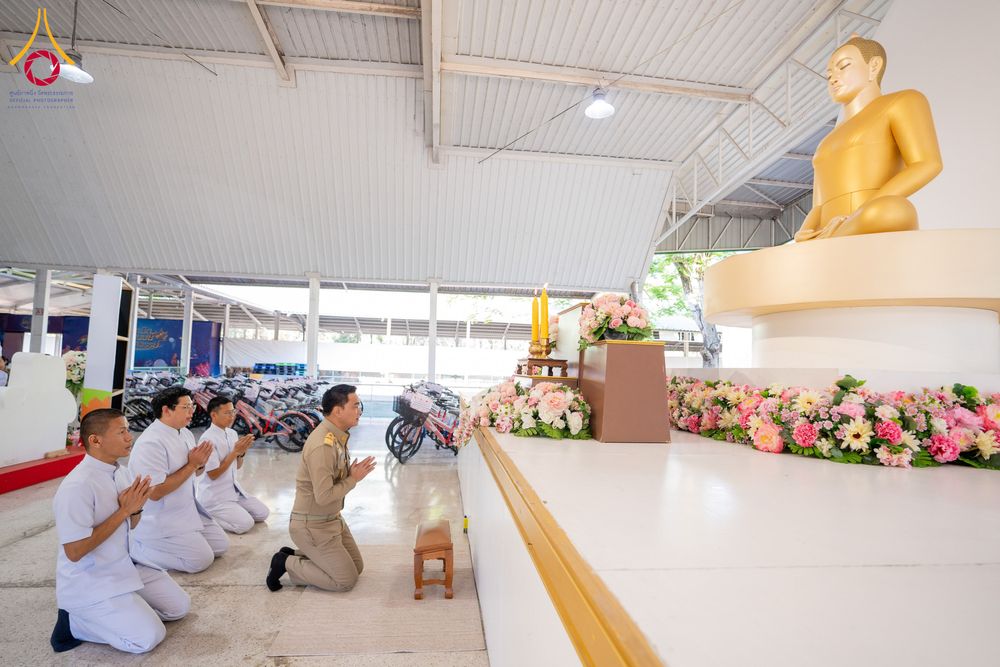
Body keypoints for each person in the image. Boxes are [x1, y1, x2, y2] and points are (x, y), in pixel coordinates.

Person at [50, 409, 190, 654]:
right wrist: (124, 511)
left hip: (126, 563)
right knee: (147, 638)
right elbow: (74, 552)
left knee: (179, 608)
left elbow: (131, 524)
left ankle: (124, 610)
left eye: (128, 429)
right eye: (122, 431)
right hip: (93, 577)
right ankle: (74, 623)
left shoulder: (120, 472)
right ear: (95, 440)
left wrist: (135, 510)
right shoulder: (77, 486)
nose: (129, 437)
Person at [794, 35, 943, 241]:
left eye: (843, 66)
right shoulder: (825, 143)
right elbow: (818, 206)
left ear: (874, 66)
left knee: (896, 209)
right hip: (829, 227)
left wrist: (859, 213)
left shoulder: (903, 101)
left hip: (869, 218)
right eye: (829, 75)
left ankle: (831, 239)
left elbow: (927, 163)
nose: (834, 79)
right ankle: (824, 240)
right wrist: (804, 232)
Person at [266, 384, 376, 592]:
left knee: (357, 567)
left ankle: (298, 554)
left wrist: (349, 475)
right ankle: (285, 562)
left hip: (331, 519)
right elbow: (324, 496)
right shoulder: (323, 445)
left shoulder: (336, 436)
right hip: (313, 525)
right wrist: (353, 479)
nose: (359, 410)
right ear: (337, 411)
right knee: (345, 581)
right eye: (355, 405)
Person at [128, 386, 229, 573]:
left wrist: (200, 464)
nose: (192, 412)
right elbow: (155, 493)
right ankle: (137, 549)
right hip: (162, 518)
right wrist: (192, 465)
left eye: (192, 406)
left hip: (186, 509)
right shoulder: (150, 442)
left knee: (221, 546)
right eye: (186, 407)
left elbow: (196, 472)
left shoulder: (185, 432)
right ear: (166, 410)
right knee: (200, 561)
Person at [196, 396, 270, 533]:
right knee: (245, 525)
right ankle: (209, 513)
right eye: (227, 413)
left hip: (233, 491)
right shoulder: (207, 439)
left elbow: (237, 466)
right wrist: (234, 452)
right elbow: (213, 474)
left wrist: (241, 453)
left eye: (233, 412)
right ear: (213, 415)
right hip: (216, 496)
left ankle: (234, 510)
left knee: (262, 513)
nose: (232, 416)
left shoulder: (232, 433)